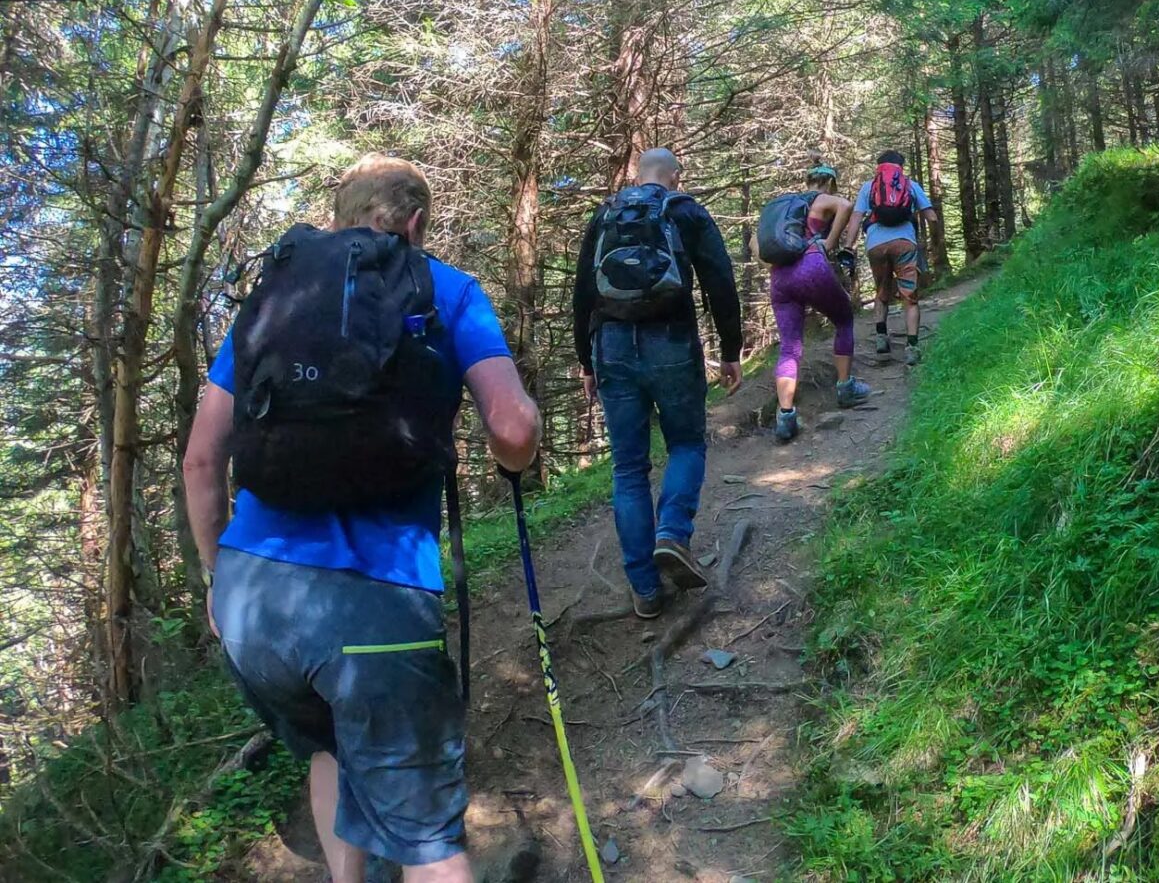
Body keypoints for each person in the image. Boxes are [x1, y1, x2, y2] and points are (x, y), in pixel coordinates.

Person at [183, 154, 541, 883]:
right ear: (415, 223)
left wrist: (218, 580)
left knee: (331, 747)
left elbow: (200, 461)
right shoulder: (446, 290)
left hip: (252, 602)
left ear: (339, 216)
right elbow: (513, 427)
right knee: (428, 844)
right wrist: (515, 454)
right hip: (375, 601)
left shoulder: (273, 297)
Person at [573, 147, 742, 620]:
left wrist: (586, 361)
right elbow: (720, 279)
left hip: (611, 346)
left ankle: (645, 590)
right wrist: (731, 350)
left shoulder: (606, 213)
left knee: (629, 468)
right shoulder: (685, 211)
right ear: (675, 176)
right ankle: (672, 533)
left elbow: (583, 291)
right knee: (686, 443)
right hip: (671, 342)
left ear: (637, 175)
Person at [768, 162, 872, 442]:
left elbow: (757, 246)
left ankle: (786, 416)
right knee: (844, 320)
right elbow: (846, 205)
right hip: (811, 266)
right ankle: (845, 388)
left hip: (779, 277)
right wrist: (830, 242)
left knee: (789, 347)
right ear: (829, 183)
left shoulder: (783, 208)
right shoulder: (819, 198)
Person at [840, 148, 937, 365]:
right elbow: (931, 217)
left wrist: (848, 246)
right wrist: (929, 238)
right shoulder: (910, 185)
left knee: (882, 290)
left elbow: (856, 218)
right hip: (905, 244)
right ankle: (912, 347)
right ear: (900, 167)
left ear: (879, 167)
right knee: (910, 296)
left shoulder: (869, 187)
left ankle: (881, 337)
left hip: (876, 245)